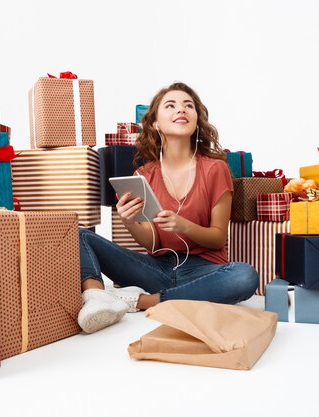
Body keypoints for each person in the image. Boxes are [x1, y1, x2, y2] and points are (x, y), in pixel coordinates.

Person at [78, 82, 259, 333]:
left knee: (244, 276)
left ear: (197, 120)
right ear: (155, 123)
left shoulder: (215, 169)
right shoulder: (144, 174)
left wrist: (183, 225)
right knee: (81, 235)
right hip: (156, 269)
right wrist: (128, 221)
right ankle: (97, 298)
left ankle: (140, 301)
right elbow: (152, 243)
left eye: (188, 106)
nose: (181, 110)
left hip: (203, 270)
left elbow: (218, 239)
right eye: (170, 106)